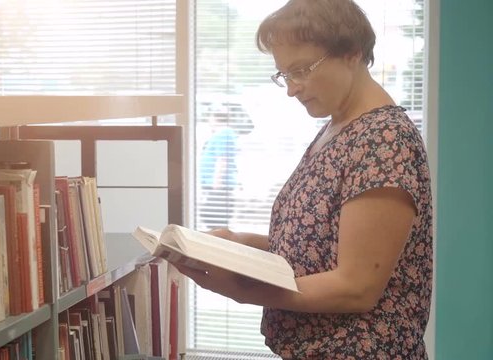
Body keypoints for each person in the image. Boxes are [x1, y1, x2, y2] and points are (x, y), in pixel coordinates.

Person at [176, 0, 433, 359]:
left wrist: (242, 290)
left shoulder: (384, 138)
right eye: (284, 74)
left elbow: (355, 287)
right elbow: (317, 245)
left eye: (301, 70)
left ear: (351, 53)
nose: (291, 89)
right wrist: (235, 244)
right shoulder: (337, 128)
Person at [197, 104, 240, 229]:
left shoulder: (224, 134)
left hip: (218, 186)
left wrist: (217, 183)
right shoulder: (222, 134)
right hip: (215, 186)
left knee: (215, 222)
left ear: (214, 118)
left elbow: (223, 160)